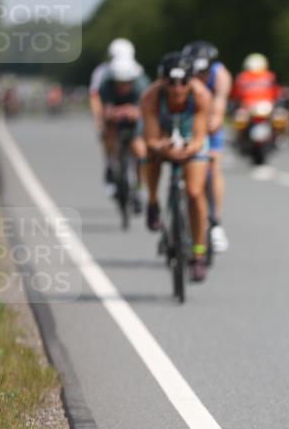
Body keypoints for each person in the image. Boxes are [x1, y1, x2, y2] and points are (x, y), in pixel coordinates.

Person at [140, 52, 214, 282]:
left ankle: (199, 253)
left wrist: (188, 150)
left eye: (183, 82)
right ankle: (152, 201)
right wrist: (163, 149)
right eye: (171, 83)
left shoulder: (202, 95)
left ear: (191, 80)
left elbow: (201, 136)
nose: (178, 89)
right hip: (163, 138)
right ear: (162, 81)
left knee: (194, 192)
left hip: (192, 140)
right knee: (149, 155)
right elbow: (151, 138)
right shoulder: (151, 97)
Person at [182, 41, 231, 253]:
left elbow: (219, 106)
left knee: (212, 166)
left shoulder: (221, 75)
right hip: (186, 120)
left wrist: (213, 122)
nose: (200, 75)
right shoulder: (181, 73)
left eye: (204, 71)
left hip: (209, 122)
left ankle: (216, 222)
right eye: (196, 71)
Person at [98, 56, 150, 207]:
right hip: (115, 118)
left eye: (127, 82)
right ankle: (111, 164)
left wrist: (135, 112)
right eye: (119, 83)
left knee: (140, 151)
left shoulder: (142, 85)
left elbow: (147, 110)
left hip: (136, 117)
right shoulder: (105, 85)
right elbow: (106, 111)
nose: (123, 87)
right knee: (108, 132)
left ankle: (140, 186)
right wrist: (115, 113)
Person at [90, 38, 136, 184]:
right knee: (107, 132)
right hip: (110, 106)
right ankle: (110, 163)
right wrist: (99, 118)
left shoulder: (136, 69)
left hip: (131, 107)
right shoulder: (101, 72)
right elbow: (95, 96)